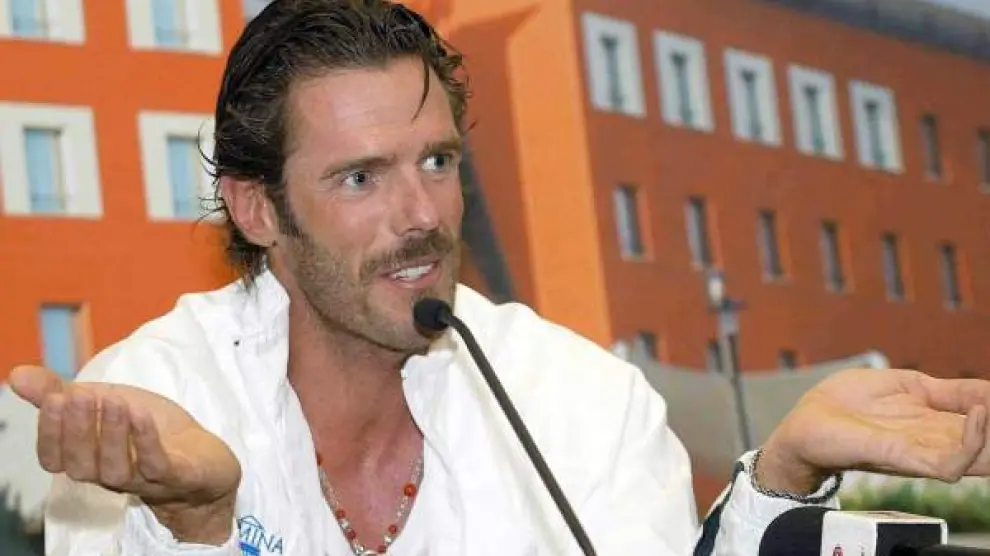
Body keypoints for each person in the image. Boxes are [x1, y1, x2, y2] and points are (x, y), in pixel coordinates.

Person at [10, 0, 990, 554]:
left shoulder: (581, 400)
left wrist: (781, 481)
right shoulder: (147, 404)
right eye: (361, 177)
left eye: (437, 160)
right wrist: (201, 523)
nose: (422, 213)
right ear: (259, 209)